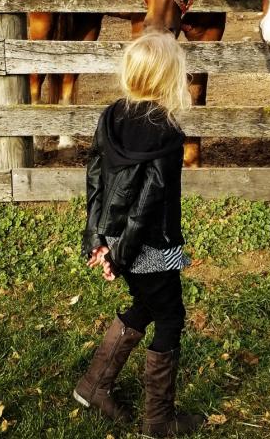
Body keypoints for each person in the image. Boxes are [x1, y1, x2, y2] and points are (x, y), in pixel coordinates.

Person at [74, 31, 204, 437]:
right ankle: (159, 421)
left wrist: (99, 239)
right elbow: (147, 205)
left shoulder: (110, 117)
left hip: (118, 244)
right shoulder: (167, 135)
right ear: (170, 77)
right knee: (170, 317)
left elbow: (95, 178)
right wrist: (121, 254)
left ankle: (93, 386)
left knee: (146, 304)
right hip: (149, 248)